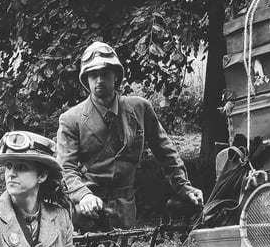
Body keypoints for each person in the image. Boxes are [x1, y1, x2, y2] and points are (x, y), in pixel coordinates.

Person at [57, 39, 203, 233]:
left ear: (116, 75)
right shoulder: (71, 119)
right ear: (86, 79)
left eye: (104, 73)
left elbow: (166, 153)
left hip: (124, 208)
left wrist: (184, 187)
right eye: (93, 75)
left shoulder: (140, 108)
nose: (99, 80)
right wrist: (83, 195)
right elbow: (65, 168)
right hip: (87, 209)